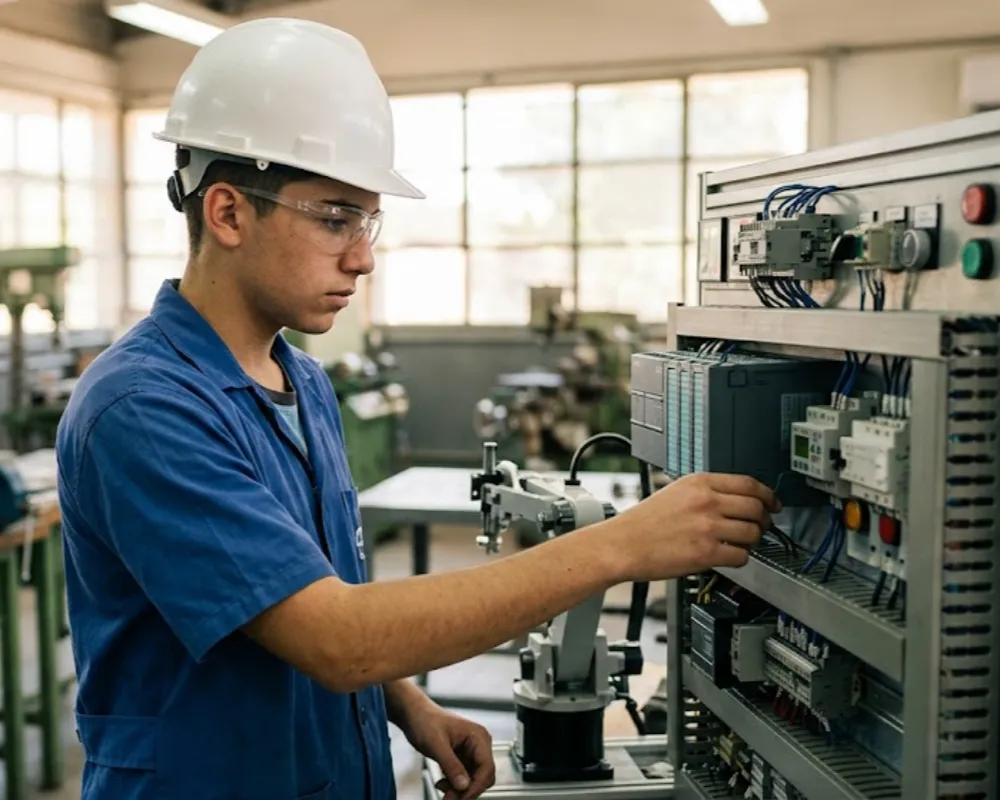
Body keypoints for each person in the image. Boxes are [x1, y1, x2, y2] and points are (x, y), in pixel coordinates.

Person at [55, 17, 779, 800]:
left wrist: (404, 703)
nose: (363, 256)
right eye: (334, 218)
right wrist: (621, 546)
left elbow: (299, 597)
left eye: (367, 222)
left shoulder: (303, 381)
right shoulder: (143, 410)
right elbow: (337, 639)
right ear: (227, 213)